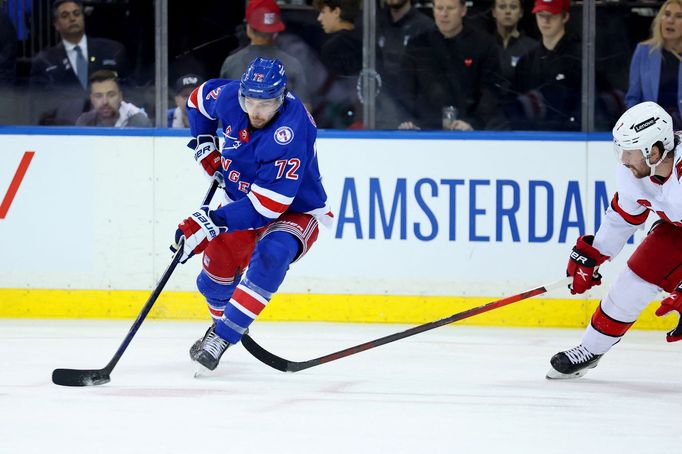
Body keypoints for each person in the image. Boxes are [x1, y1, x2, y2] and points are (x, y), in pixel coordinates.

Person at [171, 57, 332, 371]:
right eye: (250, 101)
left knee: (273, 253)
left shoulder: (290, 130)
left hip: (292, 209)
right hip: (241, 200)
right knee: (214, 279)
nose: (256, 111)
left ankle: (222, 335)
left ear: (281, 98)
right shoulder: (231, 96)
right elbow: (198, 101)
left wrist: (211, 221)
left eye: (267, 103)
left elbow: (266, 207)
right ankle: (222, 325)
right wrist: (204, 142)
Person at [547, 101, 682, 379]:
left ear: (654, 151)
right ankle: (590, 350)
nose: (623, 159)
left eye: (629, 151)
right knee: (632, 282)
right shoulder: (635, 173)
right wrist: (594, 254)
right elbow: (623, 217)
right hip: (676, 230)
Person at [397, 0, 505, 131]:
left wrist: (474, 124)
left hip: (468, 133)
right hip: (425, 132)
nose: (444, 14)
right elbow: (405, 90)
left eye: (450, 8)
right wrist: (409, 120)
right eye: (439, 8)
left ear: (463, 10)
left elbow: (490, 91)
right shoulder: (417, 45)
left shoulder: (484, 45)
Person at [29, 0, 130, 125]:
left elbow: (129, 93)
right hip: (64, 132)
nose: (72, 18)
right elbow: (39, 107)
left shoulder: (112, 50)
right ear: (56, 24)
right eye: (65, 15)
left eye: (76, 13)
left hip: (110, 129)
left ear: (83, 17)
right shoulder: (45, 61)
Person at [509, 0, 581, 131]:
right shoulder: (526, 60)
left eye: (552, 15)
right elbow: (514, 105)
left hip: (569, 137)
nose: (545, 21)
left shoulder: (579, 58)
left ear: (565, 17)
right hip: (531, 136)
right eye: (541, 14)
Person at [219, 0, 309, 105]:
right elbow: (305, 108)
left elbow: (221, 106)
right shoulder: (293, 64)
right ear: (275, 32)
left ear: (248, 29)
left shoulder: (231, 63)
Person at [376, 0, 435, 129]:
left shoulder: (425, 27)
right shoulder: (373, 23)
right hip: (378, 114)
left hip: (412, 119)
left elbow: (429, 82)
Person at [626, 0, 682, 130]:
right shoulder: (643, 51)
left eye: (679, 16)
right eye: (667, 14)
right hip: (653, 134)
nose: (670, 21)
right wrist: (640, 127)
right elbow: (633, 97)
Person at [313, 0, 363, 128]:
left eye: (323, 12)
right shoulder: (368, 42)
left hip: (338, 121)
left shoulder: (332, 47)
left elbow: (328, 93)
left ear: (336, 12)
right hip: (364, 117)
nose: (319, 18)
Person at [75, 70, 151, 127]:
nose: (105, 102)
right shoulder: (84, 122)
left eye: (111, 95)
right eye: (98, 96)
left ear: (120, 97)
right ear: (91, 99)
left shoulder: (139, 122)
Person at [491, 0, 537, 84]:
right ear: (494, 12)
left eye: (513, 7)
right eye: (502, 7)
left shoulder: (533, 48)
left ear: (521, 13)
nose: (508, 11)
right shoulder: (483, 45)